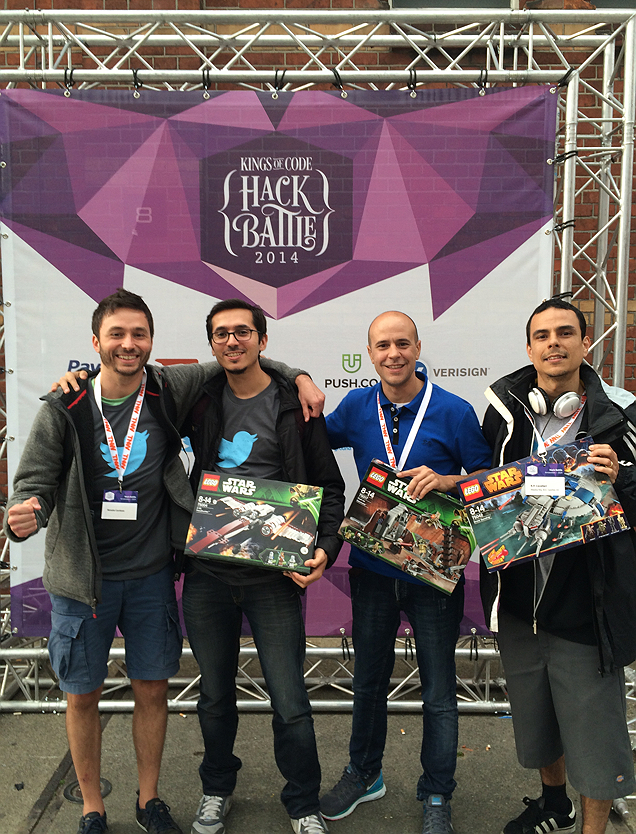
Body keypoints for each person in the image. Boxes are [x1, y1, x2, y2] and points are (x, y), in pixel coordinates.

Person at [6, 289, 323, 834]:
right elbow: (34, 481)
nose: (128, 344)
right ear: (95, 342)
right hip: (82, 581)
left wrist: (300, 377)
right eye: (116, 334)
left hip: (151, 574)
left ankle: (149, 801)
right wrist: (27, 509)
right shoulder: (65, 405)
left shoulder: (166, 388)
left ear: (151, 341)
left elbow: (239, 357)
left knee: (153, 689)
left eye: (139, 334)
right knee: (82, 695)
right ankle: (91, 807)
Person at [321, 311, 492, 834]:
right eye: (382, 346)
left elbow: (489, 478)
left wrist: (446, 481)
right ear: (369, 354)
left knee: (438, 692)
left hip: (433, 575)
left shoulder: (455, 411)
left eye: (402, 343)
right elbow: (309, 436)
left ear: (418, 348)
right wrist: (299, 380)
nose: (392, 354)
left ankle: (437, 792)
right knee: (369, 681)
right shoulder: (356, 406)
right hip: (372, 569)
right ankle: (364, 774)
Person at [180, 299, 345, 834]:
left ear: (263, 341)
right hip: (208, 575)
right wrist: (76, 381)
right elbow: (132, 385)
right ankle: (216, 789)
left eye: (243, 332)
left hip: (275, 579)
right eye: (221, 334)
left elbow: (331, 487)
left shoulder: (297, 408)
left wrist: (325, 548)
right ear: (211, 344)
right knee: (213, 697)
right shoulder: (199, 401)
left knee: (291, 701)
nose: (233, 341)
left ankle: (302, 803)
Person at [480, 297, 636, 834]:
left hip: (587, 600)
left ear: (585, 342)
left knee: (594, 738)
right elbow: (483, 488)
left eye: (565, 333)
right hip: (520, 599)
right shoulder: (502, 413)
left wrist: (622, 479)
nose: (554, 343)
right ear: (529, 348)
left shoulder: (621, 414)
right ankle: (554, 805)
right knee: (538, 722)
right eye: (542, 335)